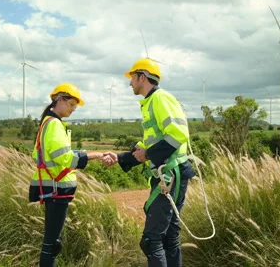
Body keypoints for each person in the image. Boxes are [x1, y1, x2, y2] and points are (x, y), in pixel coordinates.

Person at [102, 58, 195, 267]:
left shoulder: (160, 99)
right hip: (171, 174)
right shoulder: (152, 102)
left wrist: (149, 153)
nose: (129, 83)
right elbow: (145, 147)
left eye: (132, 78)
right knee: (169, 239)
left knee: (151, 241)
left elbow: (178, 134)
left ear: (142, 77)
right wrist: (119, 157)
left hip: (170, 176)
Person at [28, 83, 104, 267]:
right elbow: (65, 158)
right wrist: (93, 155)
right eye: (70, 105)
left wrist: (78, 152)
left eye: (75, 107)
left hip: (53, 189)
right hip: (56, 190)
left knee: (52, 243)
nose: (73, 110)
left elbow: (47, 155)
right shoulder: (54, 124)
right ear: (60, 100)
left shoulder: (48, 122)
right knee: (52, 245)